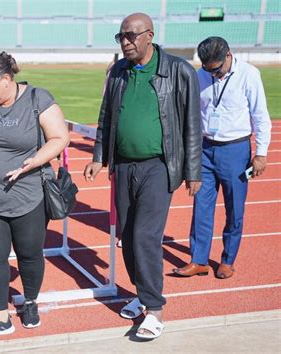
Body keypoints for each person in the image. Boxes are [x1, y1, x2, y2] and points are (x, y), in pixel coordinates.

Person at [83, 13, 202, 339]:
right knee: (126, 238)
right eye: (120, 36)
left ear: (149, 35)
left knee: (145, 238)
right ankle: (141, 293)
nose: (125, 42)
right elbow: (106, 115)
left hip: (158, 166)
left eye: (131, 36)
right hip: (122, 166)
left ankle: (154, 310)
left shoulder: (179, 71)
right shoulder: (119, 71)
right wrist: (99, 156)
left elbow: (192, 122)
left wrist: (193, 170)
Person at [0, 52, 69, 341]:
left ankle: (31, 301)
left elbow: (60, 137)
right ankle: (0, 317)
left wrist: (34, 162)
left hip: (28, 195)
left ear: (7, 80)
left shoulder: (38, 99)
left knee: (29, 254)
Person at [173, 37, 271, 279]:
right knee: (201, 207)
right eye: (208, 69)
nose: (212, 74)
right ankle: (199, 259)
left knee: (234, 209)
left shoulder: (249, 75)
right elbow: (193, 115)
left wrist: (261, 153)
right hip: (205, 149)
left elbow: (261, 116)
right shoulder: (200, 75)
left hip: (235, 151)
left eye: (216, 69)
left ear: (228, 56)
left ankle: (227, 260)